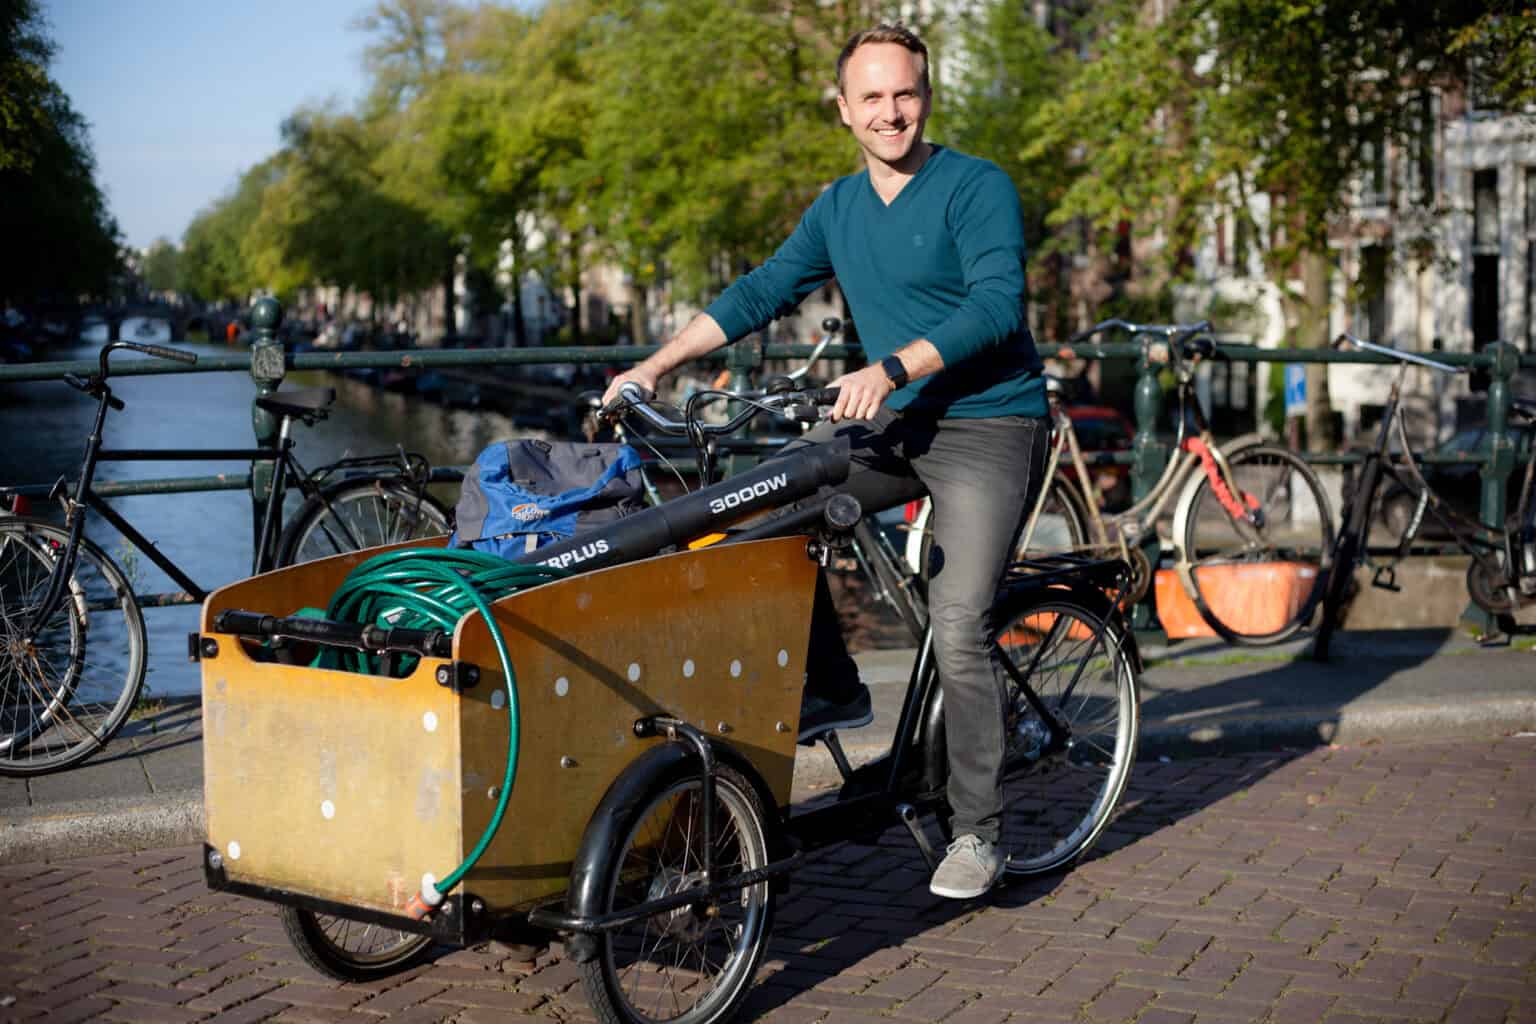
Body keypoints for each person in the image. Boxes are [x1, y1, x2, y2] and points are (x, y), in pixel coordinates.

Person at [602, 24, 1048, 900]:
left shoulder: (975, 187)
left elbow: (998, 303)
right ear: (843, 109)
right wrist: (656, 366)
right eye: (872, 98)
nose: (891, 113)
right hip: (889, 425)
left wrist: (890, 368)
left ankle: (979, 833)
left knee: (957, 621)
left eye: (906, 94)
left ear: (928, 96)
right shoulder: (838, 207)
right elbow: (763, 290)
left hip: (988, 425)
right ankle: (837, 690)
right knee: (746, 518)